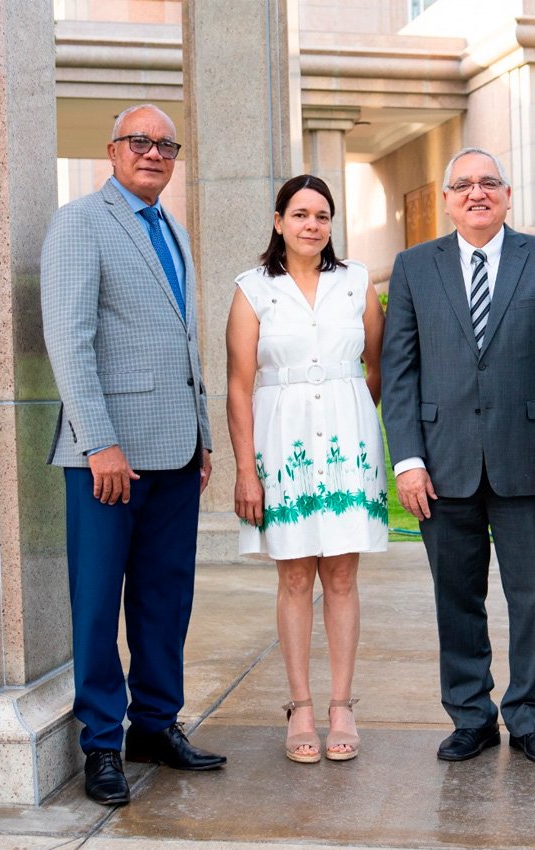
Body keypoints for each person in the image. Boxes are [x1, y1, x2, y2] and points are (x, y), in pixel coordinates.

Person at [41, 104, 225, 806]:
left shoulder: (173, 229)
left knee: (163, 599)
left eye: (165, 144)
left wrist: (203, 438)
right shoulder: (80, 223)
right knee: (97, 604)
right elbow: (69, 338)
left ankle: (155, 725)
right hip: (107, 458)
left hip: (176, 454)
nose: (153, 153)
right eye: (139, 141)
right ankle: (100, 745)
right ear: (112, 151)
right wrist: (101, 443)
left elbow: (183, 347)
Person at [381, 147, 535, 766]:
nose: (477, 193)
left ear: (507, 194)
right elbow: (399, 372)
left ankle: (530, 720)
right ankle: (471, 716)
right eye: (463, 185)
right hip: (441, 467)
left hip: (528, 463)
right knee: (457, 598)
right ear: (447, 199)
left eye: (488, 183)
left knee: (531, 598)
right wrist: (407, 460)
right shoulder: (414, 266)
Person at [226, 174, 387, 764]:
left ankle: (341, 705)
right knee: (295, 577)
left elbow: (377, 365)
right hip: (282, 445)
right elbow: (239, 387)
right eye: (300, 214)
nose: (312, 225)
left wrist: (352, 417)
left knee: (342, 577)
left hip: (345, 446)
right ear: (278, 220)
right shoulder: (252, 290)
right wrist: (247, 471)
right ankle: (299, 706)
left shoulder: (356, 282)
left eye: (322, 215)